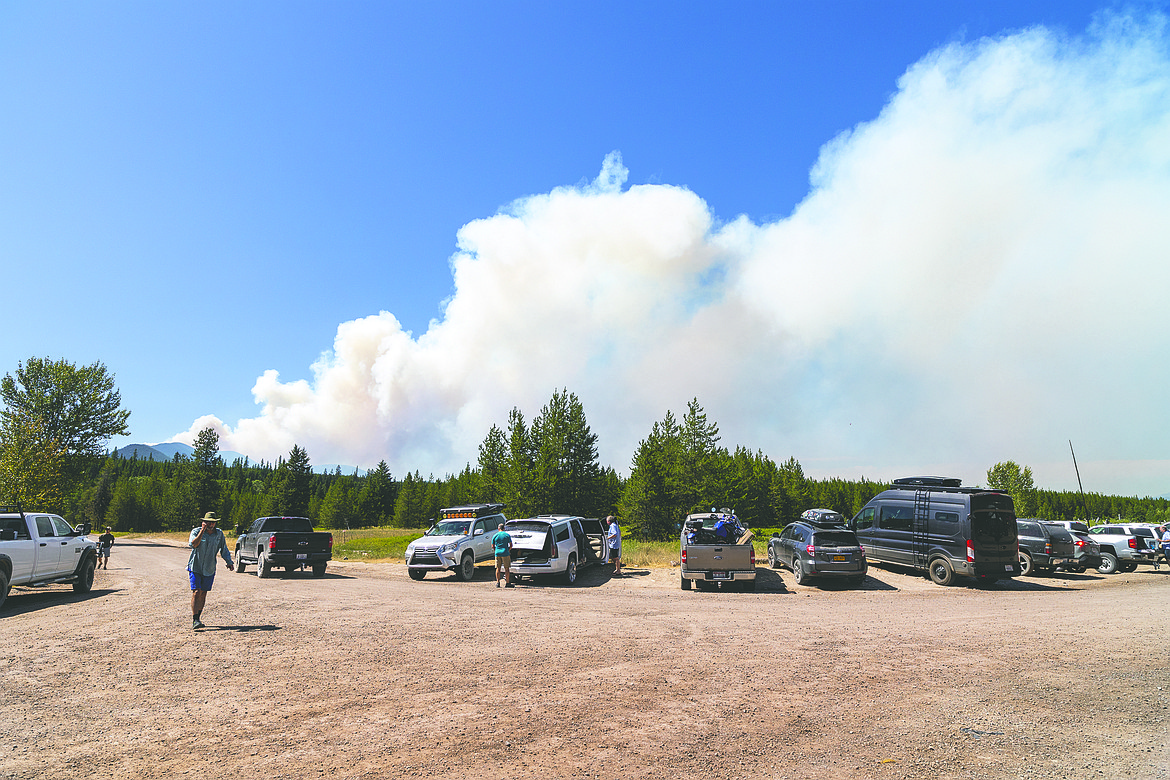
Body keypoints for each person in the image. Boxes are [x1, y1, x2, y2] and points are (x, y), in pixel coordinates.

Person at [187, 512, 234, 630]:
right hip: (195, 567)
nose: (211, 524)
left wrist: (229, 561)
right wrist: (202, 531)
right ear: (204, 522)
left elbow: (224, 548)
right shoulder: (196, 532)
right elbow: (193, 544)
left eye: (213, 522)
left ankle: (198, 617)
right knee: (196, 591)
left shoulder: (219, 534)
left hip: (209, 568)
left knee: (203, 592)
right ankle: (195, 619)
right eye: (208, 522)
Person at [492, 523, 513, 588]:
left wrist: (496, 550)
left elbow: (492, 546)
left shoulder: (495, 535)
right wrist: (508, 550)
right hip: (505, 553)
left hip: (498, 553)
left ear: (498, 528)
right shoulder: (507, 535)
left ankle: (498, 582)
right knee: (507, 568)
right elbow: (511, 545)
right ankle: (507, 583)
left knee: (498, 568)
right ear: (504, 528)